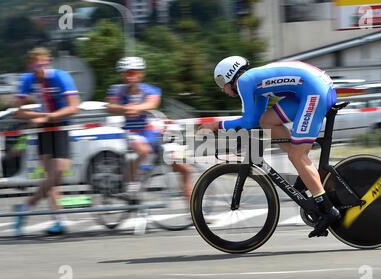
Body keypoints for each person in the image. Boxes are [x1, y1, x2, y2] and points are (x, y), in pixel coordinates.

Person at [199, 56, 340, 238]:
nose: (221, 89)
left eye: (220, 82)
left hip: (314, 92)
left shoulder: (244, 81)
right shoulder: (255, 83)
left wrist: (215, 125)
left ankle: (327, 209)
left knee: (298, 156)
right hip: (311, 88)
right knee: (268, 121)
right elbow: (257, 119)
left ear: (230, 76)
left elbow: (248, 121)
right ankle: (306, 172)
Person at [106, 56, 193, 202]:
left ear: (141, 74)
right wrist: (123, 108)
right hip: (132, 133)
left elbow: (152, 103)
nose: (130, 77)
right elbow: (110, 107)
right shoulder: (117, 90)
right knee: (144, 150)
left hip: (152, 134)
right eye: (126, 73)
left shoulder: (150, 89)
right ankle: (131, 187)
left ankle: (194, 212)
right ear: (122, 74)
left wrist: (137, 108)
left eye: (134, 73)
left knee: (185, 169)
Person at [13, 47, 80, 236]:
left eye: (41, 65)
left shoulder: (61, 77)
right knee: (52, 178)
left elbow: (74, 107)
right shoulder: (27, 80)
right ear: (29, 67)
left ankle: (26, 206)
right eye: (34, 66)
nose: (38, 70)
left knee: (57, 175)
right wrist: (40, 116)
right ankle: (59, 220)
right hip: (44, 128)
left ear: (48, 63)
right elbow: (18, 111)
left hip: (60, 125)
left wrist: (47, 117)